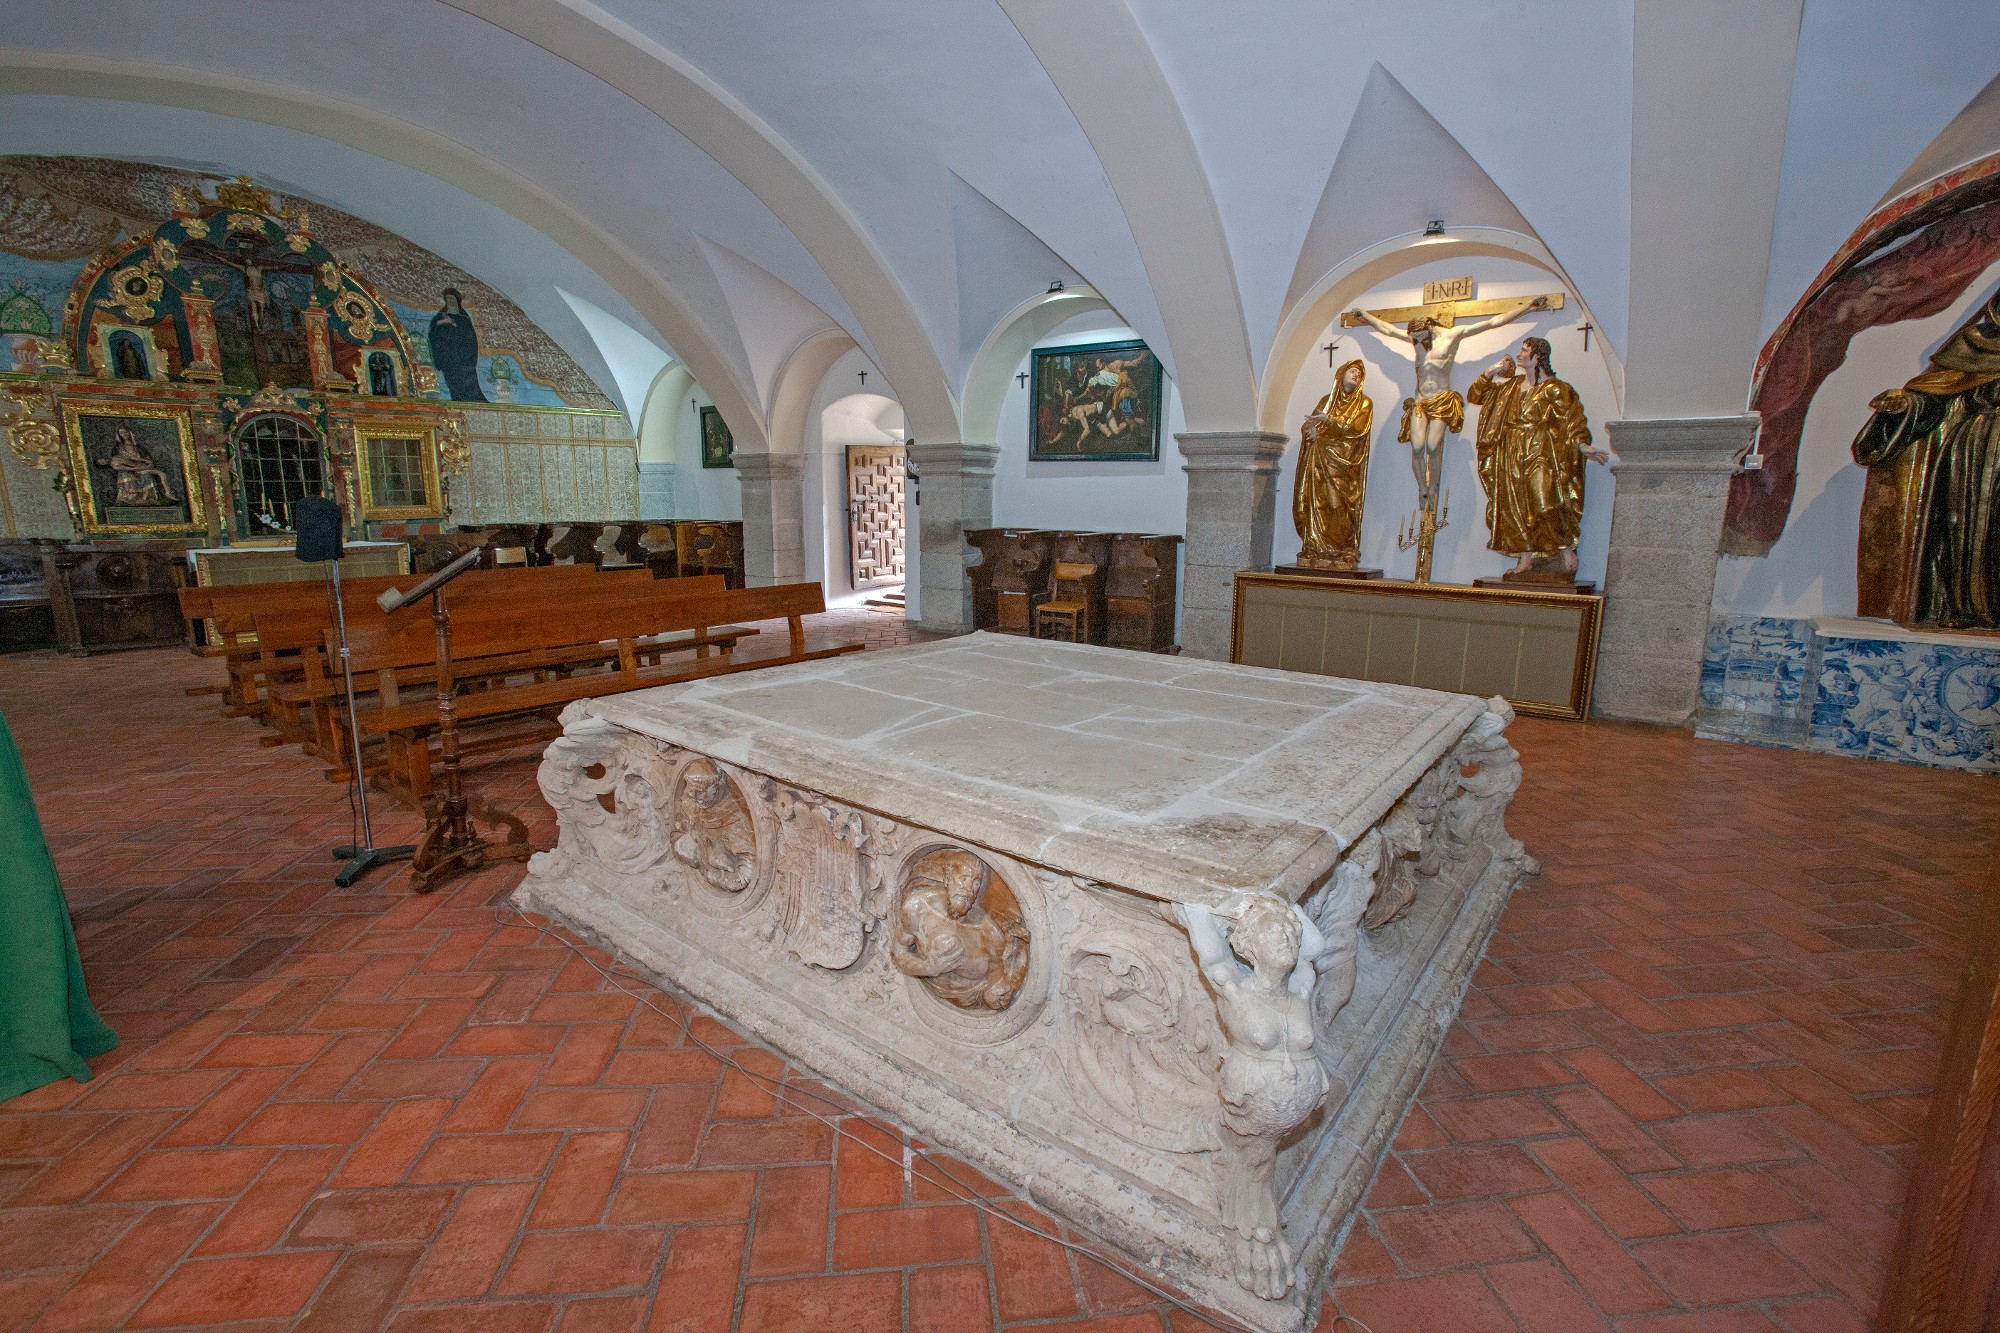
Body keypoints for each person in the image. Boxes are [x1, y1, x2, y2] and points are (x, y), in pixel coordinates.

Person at [1851, 290, 2000, 628]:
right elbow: (1935, 400)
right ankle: (1967, 605)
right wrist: (1906, 404)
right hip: (1976, 448)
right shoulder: (1975, 345)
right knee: (1964, 527)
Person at [1349, 296, 1545, 516]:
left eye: (1420, 337)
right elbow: (1388, 330)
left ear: (1430, 328)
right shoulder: (1416, 339)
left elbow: (1492, 323)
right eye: (1414, 339)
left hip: (1442, 400)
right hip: (1420, 401)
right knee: (1417, 447)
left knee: (1432, 446)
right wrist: (1365, 316)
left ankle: (1433, 488)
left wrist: (1526, 308)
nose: (1417, 342)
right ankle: (1422, 488)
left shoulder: (1452, 336)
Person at [1478, 336, 1607, 576]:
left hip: (1541, 450)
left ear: (1537, 357)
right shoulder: (1511, 387)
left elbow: (1572, 421)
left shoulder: (1557, 389)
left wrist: (1582, 445)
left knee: (1546, 501)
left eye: (1525, 351)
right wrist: (1492, 370)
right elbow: (1476, 395)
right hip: (1512, 451)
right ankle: (1525, 558)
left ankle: (1565, 550)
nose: (1519, 355)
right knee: (1515, 505)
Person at [890, 850, 1028, 1011]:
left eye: (976, 883)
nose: (968, 888)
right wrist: (927, 967)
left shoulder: (990, 933)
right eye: (963, 878)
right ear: (948, 877)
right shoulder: (919, 907)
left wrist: (991, 994)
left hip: (968, 1003)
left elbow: (996, 975)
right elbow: (898, 952)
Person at [1292, 359, 1374, 569]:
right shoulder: (1326, 401)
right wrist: (1311, 430)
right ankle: (1316, 547)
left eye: (1359, 374)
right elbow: (1310, 423)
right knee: (1318, 502)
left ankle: (1341, 547)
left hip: (1345, 463)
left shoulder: (1364, 403)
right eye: (1352, 371)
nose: (1356, 375)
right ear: (1341, 374)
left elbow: (1356, 430)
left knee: (1338, 505)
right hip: (1319, 461)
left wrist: (1329, 422)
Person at [427, 287, 488, 402]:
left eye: (452, 299)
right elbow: (434, 330)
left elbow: (469, 336)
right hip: (448, 359)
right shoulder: (442, 315)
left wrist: (453, 323)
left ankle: (474, 401)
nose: (450, 302)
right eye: (448, 299)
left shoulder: (463, 317)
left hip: (463, 359)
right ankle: (457, 399)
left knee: (468, 383)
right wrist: (444, 322)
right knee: (453, 383)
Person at [96, 426, 177, 508]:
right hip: (135, 470)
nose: (124, 434)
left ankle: (167, 493)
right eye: (121, 433)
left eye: (125, 432)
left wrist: (145, 461)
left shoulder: (137, 447)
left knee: (161, 474)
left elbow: (134, 458)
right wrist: (141, 467)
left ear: (129, 432)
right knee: (129, 474)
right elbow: (129, 468)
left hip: (142, 465)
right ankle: (134, 497)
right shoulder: (116, 453)